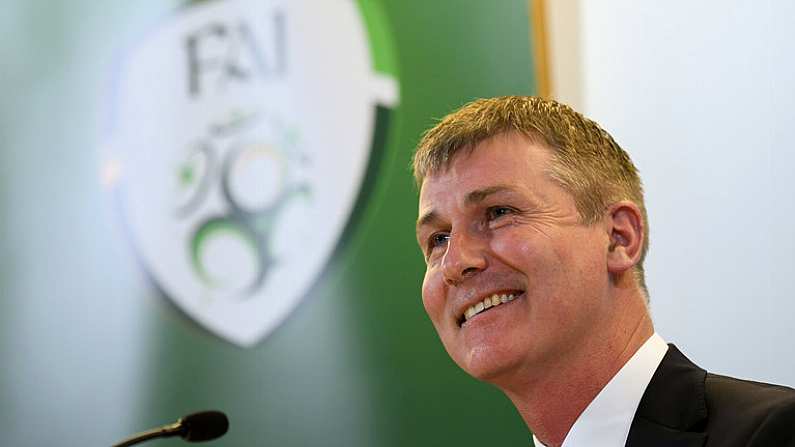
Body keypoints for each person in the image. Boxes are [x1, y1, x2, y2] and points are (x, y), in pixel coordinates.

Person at [412, 96, 795, 447]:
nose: (457, 262)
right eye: (438, 239)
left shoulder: (774, 434)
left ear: (618, 238)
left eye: (498, 213)